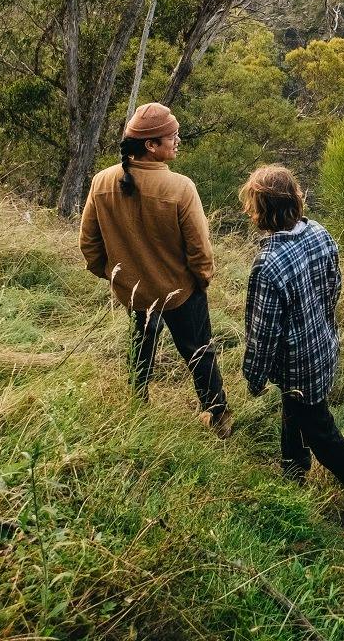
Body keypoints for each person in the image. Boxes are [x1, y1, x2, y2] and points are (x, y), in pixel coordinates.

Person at [79, 102, 232, 437]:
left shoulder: (102, 181)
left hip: (135, 292)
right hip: (180, 292)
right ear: (151, 145)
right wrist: (201, 280)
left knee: (140, 344)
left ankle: (137, 403)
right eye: (172, 137)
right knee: (198, 351)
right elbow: (199, 250)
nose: (177, 142)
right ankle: (217, 416)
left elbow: (89, 245)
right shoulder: (180, 188)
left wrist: (117, 277)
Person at [239, 164, 344, 516]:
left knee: (321, 432)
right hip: (324, 345)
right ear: (294, 200)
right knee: (296, 410)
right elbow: (334, 287)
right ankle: (293, 470)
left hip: (298, 362)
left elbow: (264, 333)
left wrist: (254, 376)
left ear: (261, 210)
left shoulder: (268, 265)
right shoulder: (320, 233)